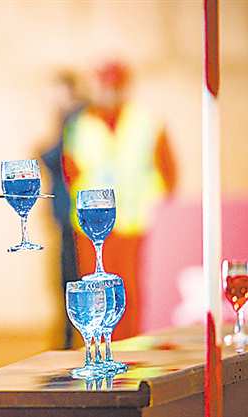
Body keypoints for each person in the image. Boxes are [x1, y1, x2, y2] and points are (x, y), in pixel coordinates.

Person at [62, 61, 177, 340]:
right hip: (92, 225)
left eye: (116, 85)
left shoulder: (147, 122)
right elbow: (70, 170)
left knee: (132, 292)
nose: (110, 92)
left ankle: (131, 346)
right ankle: (98, 346)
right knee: (95, 292)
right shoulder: (80, 124)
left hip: (136, 224)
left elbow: (168, 171)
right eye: (105, 85)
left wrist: (155, 206)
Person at [40, 70, 87, 349]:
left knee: (72, 277)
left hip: (73, 213)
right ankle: (69, 336)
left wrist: (43, 153)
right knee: (65, 278)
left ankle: (72, 338)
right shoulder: (69, 119)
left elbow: (63, 158)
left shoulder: (76, 119)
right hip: (66, 211)